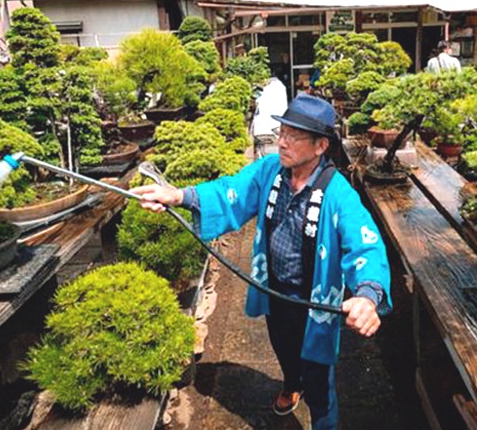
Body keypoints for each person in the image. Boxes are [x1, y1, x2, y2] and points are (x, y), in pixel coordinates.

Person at [130, 93, 392, 429]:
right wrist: (178, 196)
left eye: (293, 136)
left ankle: (322, 418)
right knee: (282, 346)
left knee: (319, 375)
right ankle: (291, 384)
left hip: (315, 303)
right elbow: (230, 191)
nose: (281, 142)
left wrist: (368, 296)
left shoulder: (339, 194)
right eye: (282, 132)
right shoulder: (270, 170)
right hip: (275, 289)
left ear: (320, 146)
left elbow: (366, 245)